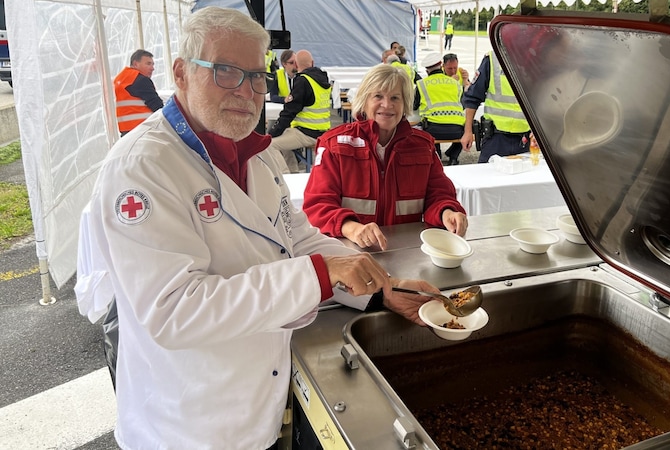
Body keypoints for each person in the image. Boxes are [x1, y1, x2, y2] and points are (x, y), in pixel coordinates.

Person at [74, 7, 439, 449]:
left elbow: (298, 237)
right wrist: (322, 276)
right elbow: (174, 310)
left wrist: (379, 285)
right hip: (188, 424)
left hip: (258, 403)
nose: (247, 91)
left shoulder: (257, 152)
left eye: (256, 75)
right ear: (182, 72)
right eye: (226, 71)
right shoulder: (143, 168)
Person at [303, 64, 468, 251]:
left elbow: (439, 194)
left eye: (395, 98)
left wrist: (446, 212)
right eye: (378, 96)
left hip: (406, 253)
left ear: (405, 104)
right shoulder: (333, 145)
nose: (387, 105)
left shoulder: (423, 146)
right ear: (364, 100)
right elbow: (317, 205)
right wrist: (352, 228)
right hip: (350, 253)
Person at [266, 49, 332, 173]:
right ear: (312, 62)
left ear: (296, 65)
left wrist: (271, 134)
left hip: (306, 133)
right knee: (283, 136)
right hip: (322, 131)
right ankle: (293, 171)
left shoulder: (302, 81)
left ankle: (286, 177)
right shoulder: (322, 80)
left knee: (269, 145)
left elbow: (289, 112)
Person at [461, 50, 531, 163]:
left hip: (525, 139)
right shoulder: (492, 59)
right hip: (496, 138)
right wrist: (468, 131)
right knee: (488, 178)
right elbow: (472, 98)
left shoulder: (536, 60)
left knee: (524, 179)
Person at [414, 52, 465, 166]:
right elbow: (463, 103)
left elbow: (414, 106)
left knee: (427, 127)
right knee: (469, 127)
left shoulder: (422, 84)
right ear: (441, 65)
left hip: (433, 130)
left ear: (427, 69)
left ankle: (437, 155)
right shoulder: (455, 83)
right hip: (457, 130)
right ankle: (453, 156)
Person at [113, 49, 164, 136]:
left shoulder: (121, 78)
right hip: (143, 130)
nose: (152, 68)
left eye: (152, 64)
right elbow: (157, 106)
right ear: (136, 64)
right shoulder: (140, 80)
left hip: (127, 130)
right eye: (148, 64)